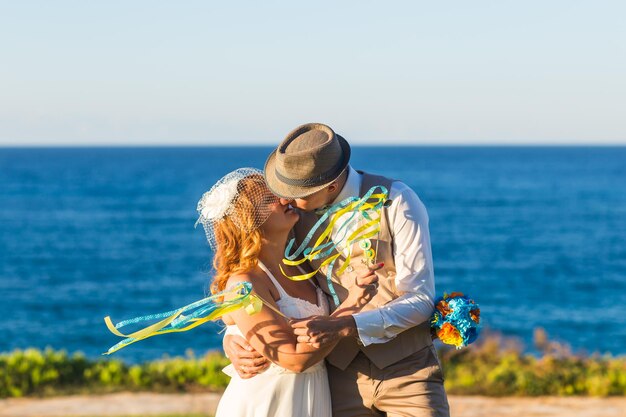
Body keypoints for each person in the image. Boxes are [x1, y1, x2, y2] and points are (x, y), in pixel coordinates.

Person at [224, 124, 450, 417]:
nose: (286, 200)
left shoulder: (397, 202)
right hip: (335, 379)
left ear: (330, 186)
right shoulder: (291, 220)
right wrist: (232, 338)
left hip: (407, 372)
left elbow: (420, 300)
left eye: (296, 194)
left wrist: (347, 325)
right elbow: (258, 284)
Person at [195, 167, 380, 417]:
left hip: (312, 397)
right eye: (270, 199)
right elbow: (293, 360)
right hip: (267, 403)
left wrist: (230, 337)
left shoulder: (304, 266)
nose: (286, 199)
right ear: (249, 219)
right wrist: (352, 304)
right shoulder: (245, 283)